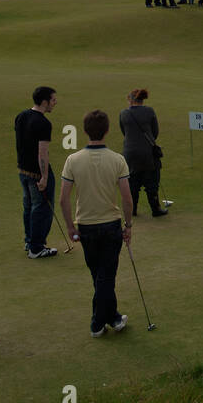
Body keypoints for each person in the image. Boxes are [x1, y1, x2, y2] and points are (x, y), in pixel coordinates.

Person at [60, 110, 134, 337]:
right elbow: (127, 198)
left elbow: (63, 199)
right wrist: (128, 225)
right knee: (105, 275)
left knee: (99, 275)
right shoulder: (117, 159)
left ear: (85, 131)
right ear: (107, 130)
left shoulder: (73, 160)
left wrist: (70, 228)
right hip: (110, 225)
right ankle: (98, 322)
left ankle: (112, 317)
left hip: (86, 226)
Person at [15, 86, 59, 258]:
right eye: (53, 100)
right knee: (42, 209)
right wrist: (44, 177)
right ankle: (37, 247)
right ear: (44, 101)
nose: (55, 103)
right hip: (36, 174)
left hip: (23, 170)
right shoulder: (43, 123)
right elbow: (42, 152)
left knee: (28, 207)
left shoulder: (21, 116)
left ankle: (29, 240)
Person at [119, 89, 165, 217]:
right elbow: (155, 132)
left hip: (129, 152)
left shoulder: (124, 113)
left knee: (133, 182)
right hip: (147, 152)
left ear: (130, 100)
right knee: (152, 181)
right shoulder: (149, 111)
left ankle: (132, 210)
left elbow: (124, 131)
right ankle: (155, 209)